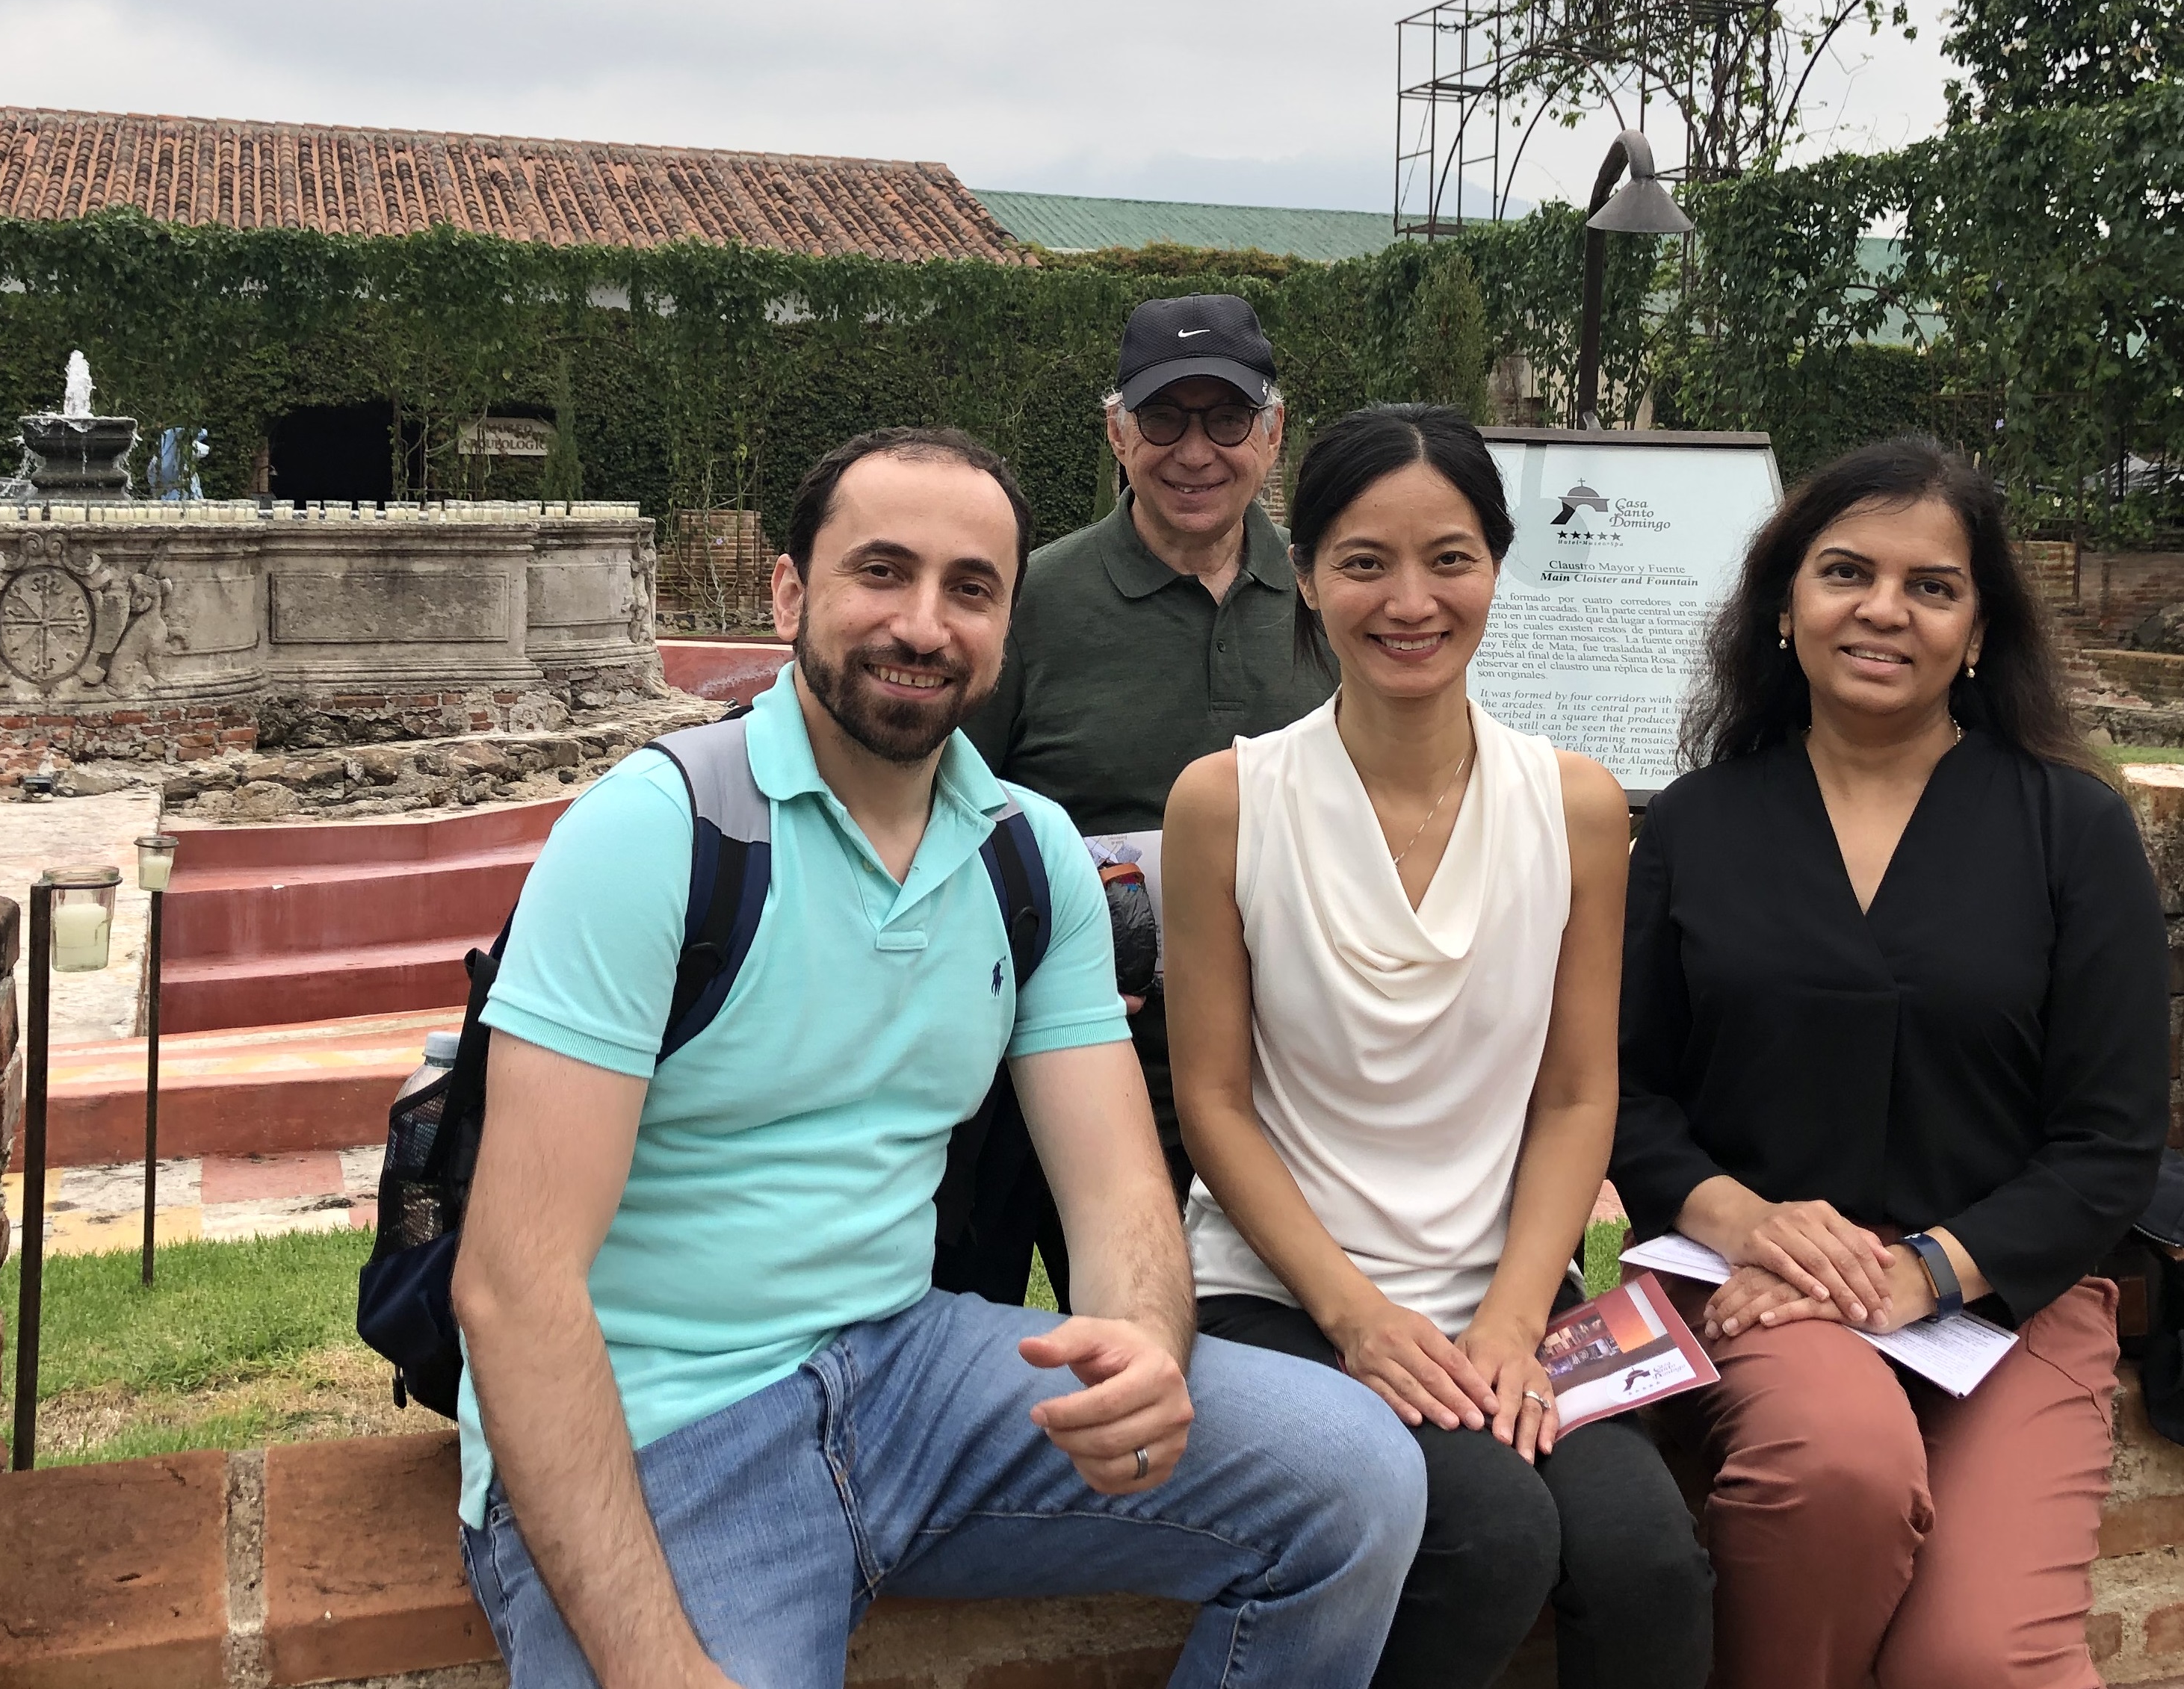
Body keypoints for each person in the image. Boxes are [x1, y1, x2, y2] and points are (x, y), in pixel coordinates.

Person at [450, 425, 1423, 1689]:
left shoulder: (1030, 854)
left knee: (1352, 1482)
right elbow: (513, 1291)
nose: (923, 623)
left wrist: (1137, 1343)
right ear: (790, 592)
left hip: (905, 1374)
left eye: (970, 589)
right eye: (880, 573)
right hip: (664, 1427)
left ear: (1008, 623)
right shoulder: (660, 833)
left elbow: (1119, 1185)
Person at [1163, 404, 1714, 1689]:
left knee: (1650, 1563)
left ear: (1496, 567)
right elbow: (1214, 1102)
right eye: (1364, 562)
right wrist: (1355, 1317)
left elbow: (1580, 1090)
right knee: (1487, 1532)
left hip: (1502, 1283)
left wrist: (1518, 1317)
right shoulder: (1227, 803)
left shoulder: (1573, 807)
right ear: (1303, 575)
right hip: (1285, 1288)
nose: (1409, 600)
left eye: (1449, 557)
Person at [1611, 435, 2170, 1689]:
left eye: (1931, 584)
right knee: (1835, 1470)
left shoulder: (2070, 828)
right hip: (1754, 1276)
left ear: (1978, 629)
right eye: (1845, 571)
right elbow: (1626, 1094)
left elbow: (2111, 1140)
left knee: (1973, 1659)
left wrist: (1925, 1271)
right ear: (1783, 607)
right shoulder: (1695, 822)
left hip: (2004, 1290)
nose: (1882, 609)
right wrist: (1749, 1224)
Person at [952, 292, 1336, 1305]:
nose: (1194, 451)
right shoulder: (1028, 603)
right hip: (1076, 1061)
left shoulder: (1335, 599)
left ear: (1274, 430)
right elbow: (947, 815)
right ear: (1117, 430)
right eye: (1163, 418)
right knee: (1107, 1347)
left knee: (1273, 1349)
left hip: (1292, 1070)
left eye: (1226, 418)